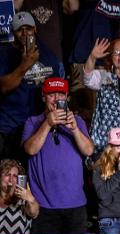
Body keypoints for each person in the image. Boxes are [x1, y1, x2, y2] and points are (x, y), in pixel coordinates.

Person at [21, 77, 94, 234]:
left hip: (76, 206)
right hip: (44, 206)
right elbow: (30, 149)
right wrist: (47, 124)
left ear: (67, 97)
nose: (56, 99)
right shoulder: (33, 122)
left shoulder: (78, 121)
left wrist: (74, 129)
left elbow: (89, 150)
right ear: (43, 97)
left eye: (60, 95)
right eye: (51, 94)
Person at [0, 11, 64, 162]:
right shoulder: (4, 54)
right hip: (8, 127)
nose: (24, 33)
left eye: (28, 28)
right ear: (13, 32)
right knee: (7, 173)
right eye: (19, 29)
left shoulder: (47, 54)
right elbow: (3, 87)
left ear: (35, 29)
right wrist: (25, 64)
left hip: (36, 127)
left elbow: (56, 90)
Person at [0, 159, 39, 234]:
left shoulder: (23, 201)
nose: (11, 179)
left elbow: (34, 212)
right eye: (7, 174)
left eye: (14, 176)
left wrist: (31, 200)